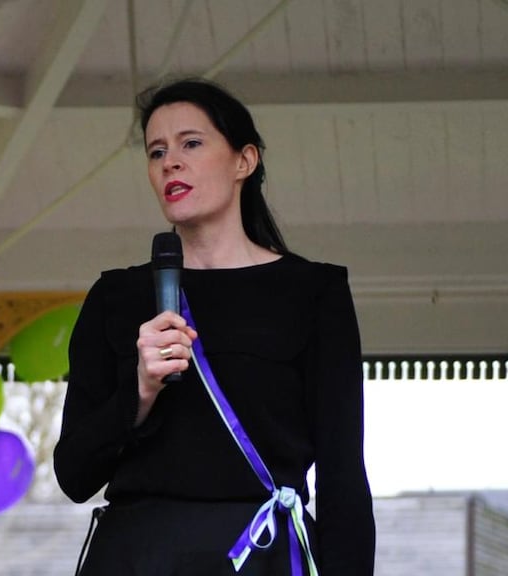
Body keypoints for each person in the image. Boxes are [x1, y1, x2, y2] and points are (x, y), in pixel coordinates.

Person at [53, 77, 375, 575]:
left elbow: (343, 474)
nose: (170, 163)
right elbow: (74, 474)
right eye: (156, 151)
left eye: (191, 144)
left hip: (259, 555)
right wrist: (138, 391)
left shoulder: (312, 292)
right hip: (136, 557)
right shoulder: (116, 297)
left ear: (245, 161)